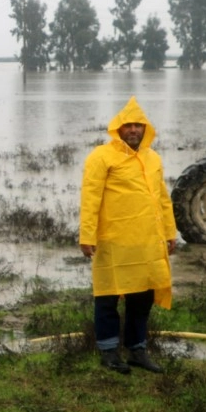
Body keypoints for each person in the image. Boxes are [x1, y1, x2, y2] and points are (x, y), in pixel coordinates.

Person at [79, 96, 177, 374]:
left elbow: (162, 199)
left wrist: (170, 233)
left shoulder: (153, 158)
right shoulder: (101, 156)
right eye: (128, 125)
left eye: (138, 125)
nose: (133, 130)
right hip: (114, 242)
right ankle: (109, 352)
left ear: (145, 129)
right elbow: (90, 198)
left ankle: (137, 350)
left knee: (142, 296)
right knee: (108, 296)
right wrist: (87, 236)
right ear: (117, 129)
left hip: (147, 242)